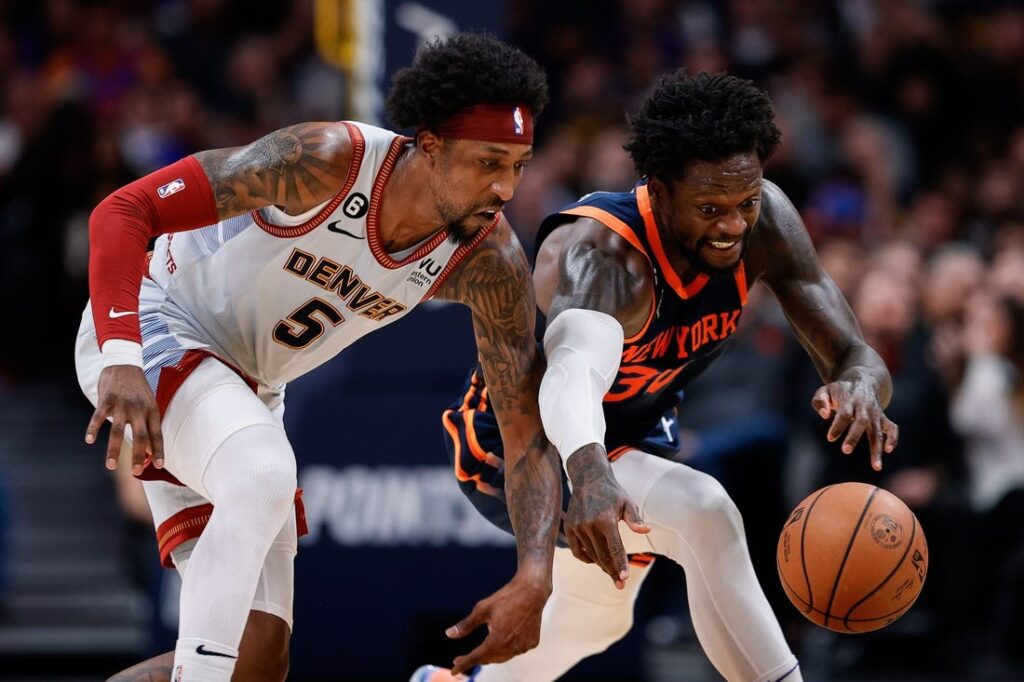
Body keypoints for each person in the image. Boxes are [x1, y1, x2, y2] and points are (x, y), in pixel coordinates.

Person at [74, 33, 590, 682]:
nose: (506, 186)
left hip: (248, 388)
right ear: (431, 144)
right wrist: (122, 356)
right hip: (156, 325)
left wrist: (537, 572)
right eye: (489, 162)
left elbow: (522, 430)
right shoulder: (327, 161)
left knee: (258, 659)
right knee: (263, 472)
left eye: (518, 165)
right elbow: (123, 210)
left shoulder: (487, 260)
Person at [413, 71, 899, 682]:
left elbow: (854, 352)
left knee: (598, 619)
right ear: (660, 191)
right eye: (710, 209)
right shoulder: (604, 255)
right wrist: (588, 471)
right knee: (706, 510)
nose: (732, 225)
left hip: (634, 434)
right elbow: (572, 380)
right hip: (530, 441)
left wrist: (859, 385)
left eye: (745, 203)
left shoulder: (765, 221)